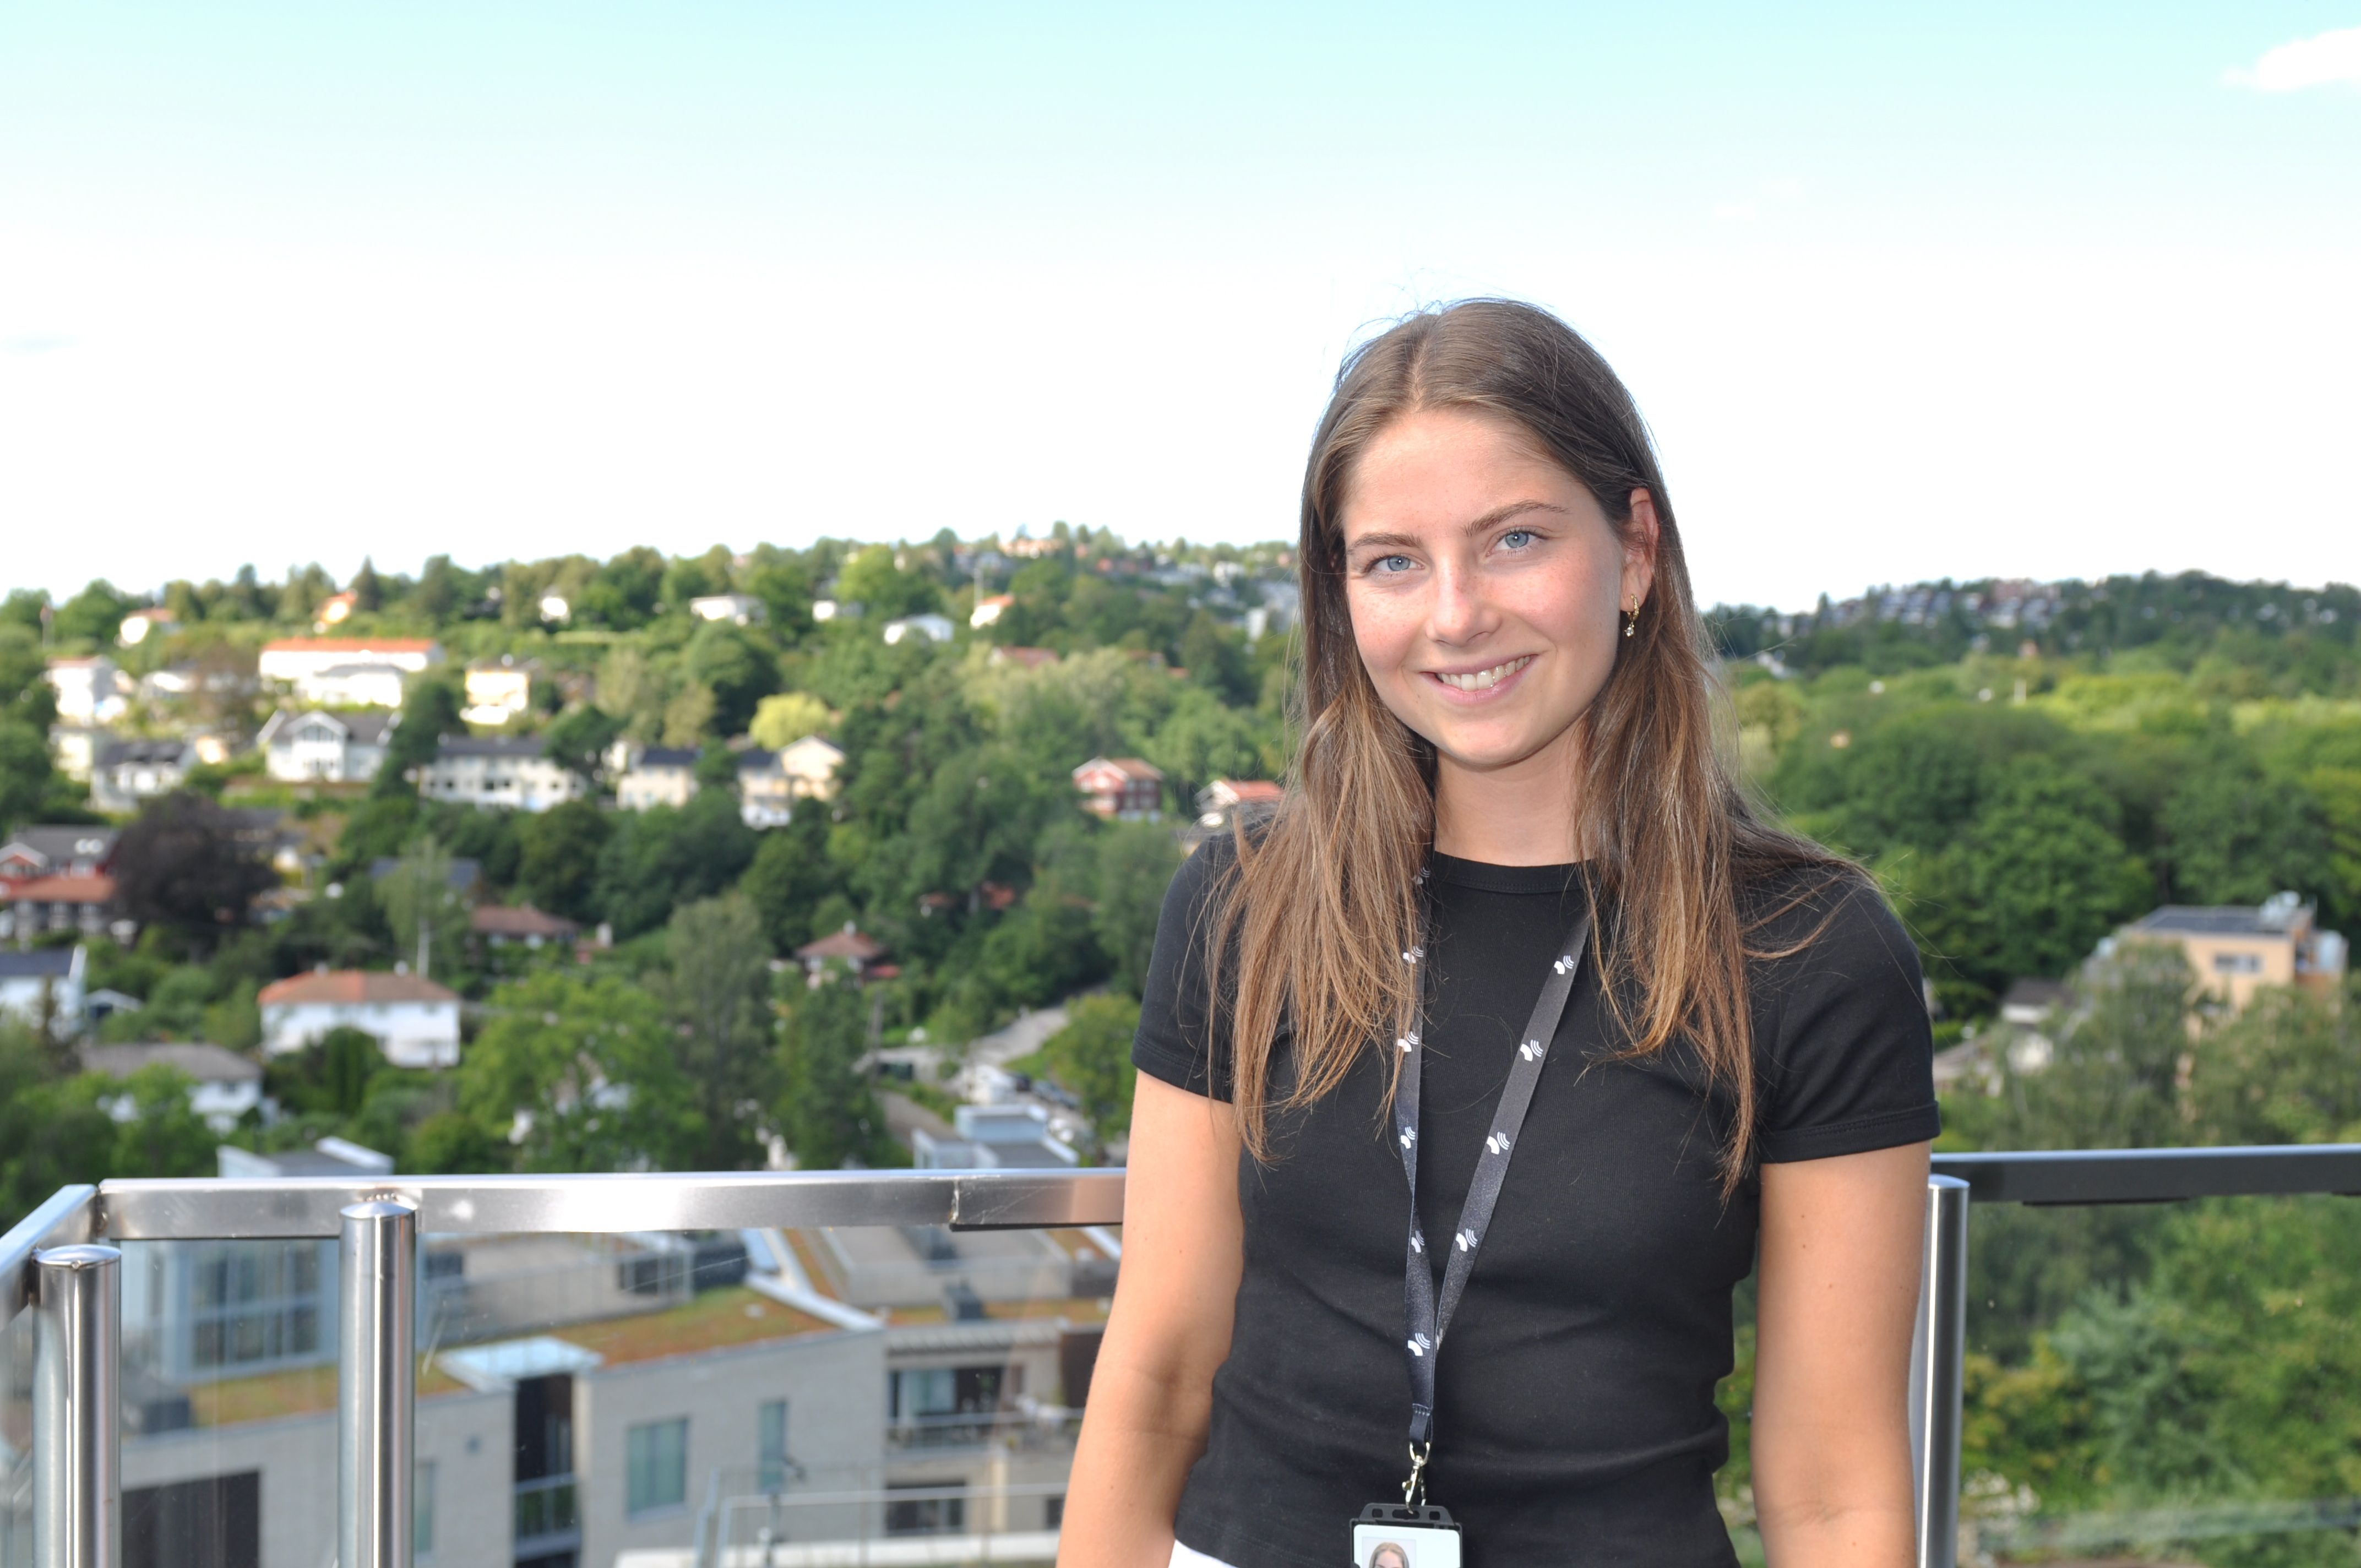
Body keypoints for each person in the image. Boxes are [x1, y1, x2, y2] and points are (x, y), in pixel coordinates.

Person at [1056, 299, 1936, 1568]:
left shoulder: (1805, 950)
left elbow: (1832, 1488)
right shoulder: (1242, 901)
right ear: (1339, 592)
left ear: (1633, 550)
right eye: (1392, 560)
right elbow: (1155, 1368)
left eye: (1513, 538)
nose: (1455, 614)